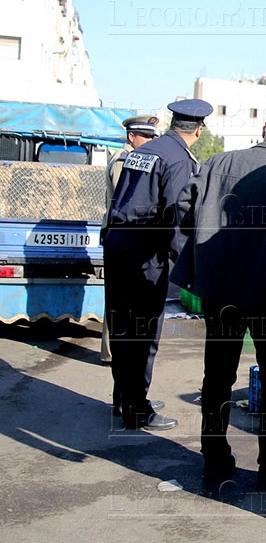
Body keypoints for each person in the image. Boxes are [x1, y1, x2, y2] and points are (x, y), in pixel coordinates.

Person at [170, 105, 266, 488]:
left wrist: (205, 255)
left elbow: (183, 210)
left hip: (220, 290)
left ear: (265, 131)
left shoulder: (216, 163)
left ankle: (214, 459)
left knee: (217, 377)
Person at [104, 98, 212, 432]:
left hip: (117, 245)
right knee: (143, 334)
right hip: (144, 254)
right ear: (198, 129)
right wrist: (189, 268)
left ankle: (124, 398)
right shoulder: (178, 158)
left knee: (122, 328)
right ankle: (138, 409)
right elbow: (175, 216)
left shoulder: (143, 151)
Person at [102, 115, 158, 387]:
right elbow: (123, 201)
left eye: (152, 139)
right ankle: (113, 358)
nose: (149, 144)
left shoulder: (134, 159)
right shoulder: (123, 161)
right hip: (121, 237)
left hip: (121, 238)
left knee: (121, 308)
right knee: (120, 312)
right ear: (131, 136)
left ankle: (124, 388)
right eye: (145, 138)